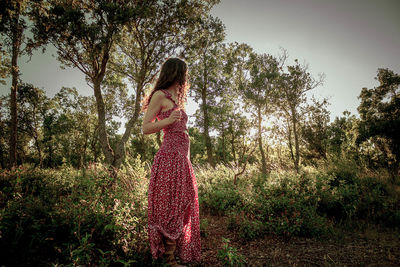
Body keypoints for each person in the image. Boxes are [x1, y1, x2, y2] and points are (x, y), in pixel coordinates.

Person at [141, 58, 201, 266]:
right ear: (174, 73)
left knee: (185, 201)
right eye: (183, 73)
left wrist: (188, 160)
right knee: (170, 206)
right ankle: (169, 258)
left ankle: (173, 253)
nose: (185, 78)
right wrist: (167, 121)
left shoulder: (177, 98)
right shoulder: (160, 95)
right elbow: (146, 127)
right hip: (168, 158)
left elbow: (183, 132)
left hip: (182, 159)